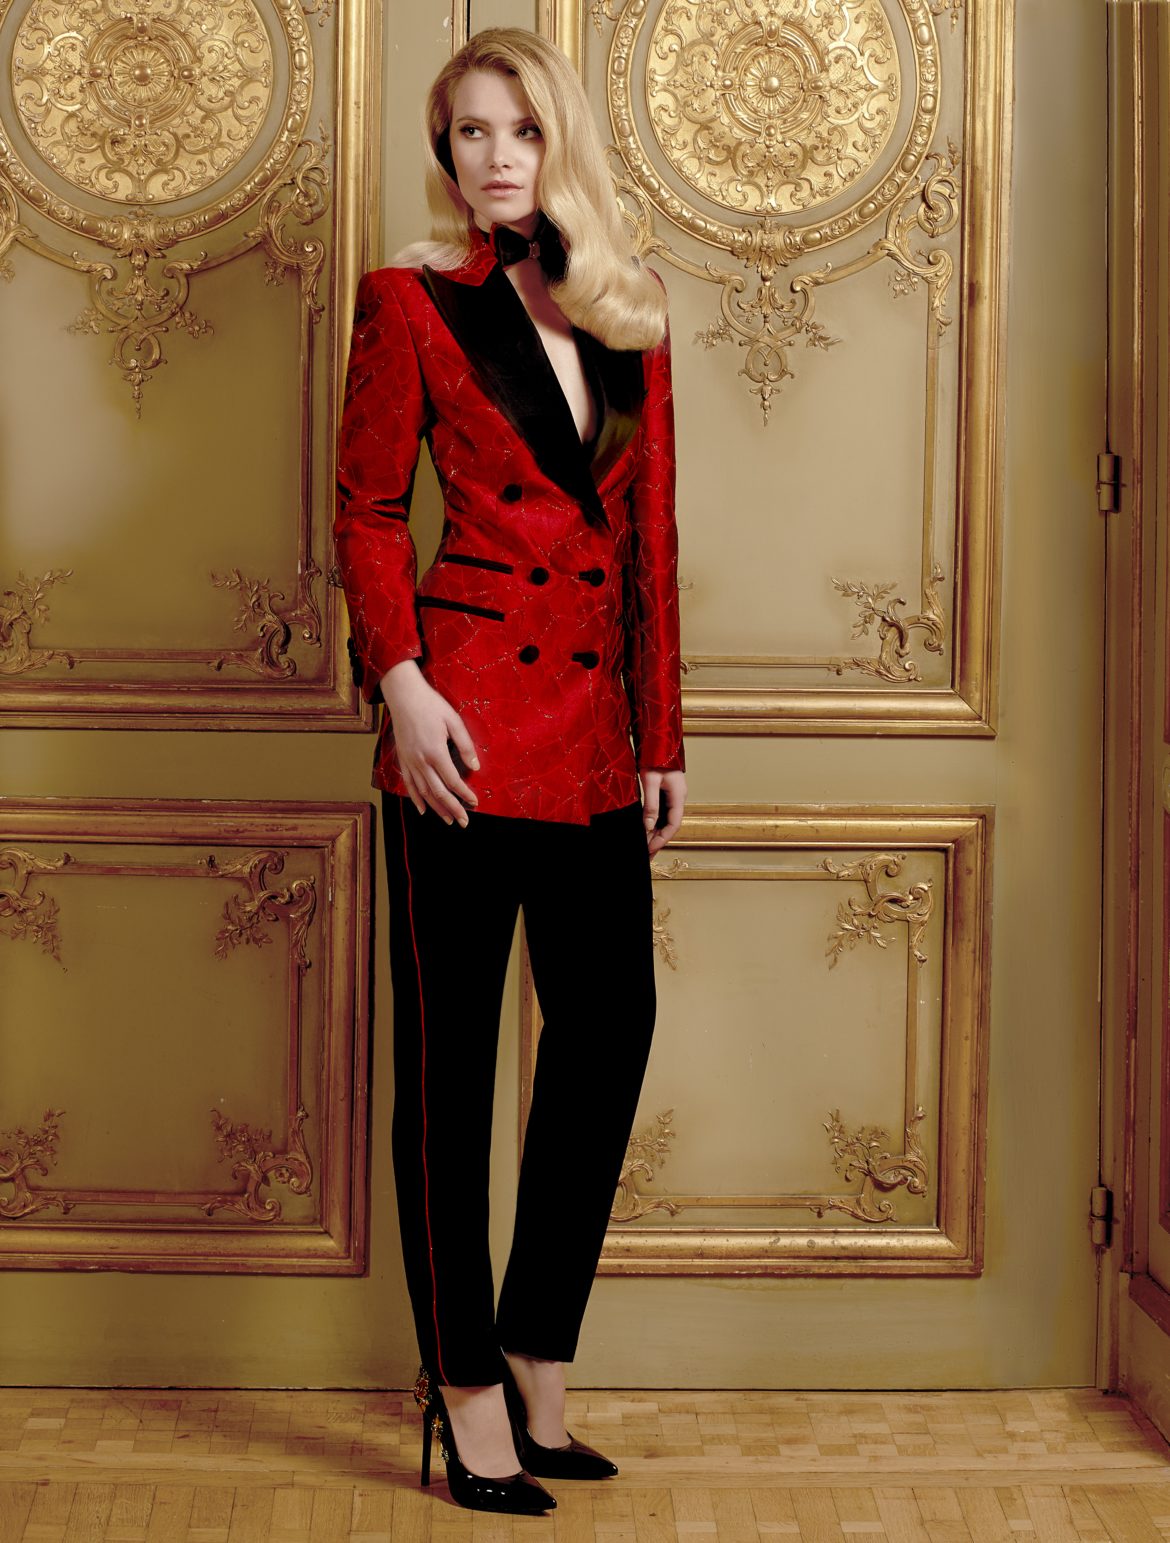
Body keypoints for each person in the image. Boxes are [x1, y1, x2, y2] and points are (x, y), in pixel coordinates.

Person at [334, 26, 686, 1515]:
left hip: (595, 740)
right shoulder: (410, 302)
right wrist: (401, 687)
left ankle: (540, 1349)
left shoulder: (625, 305)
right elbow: (366, 508)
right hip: (461, 739)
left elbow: (650, 539)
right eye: (468, 132)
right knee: (449, 1073)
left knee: (608, 1033)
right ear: (446, 151)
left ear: (560, 143)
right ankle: (466, 1386)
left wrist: (662, 737)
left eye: (520, 130)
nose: (493, 157)